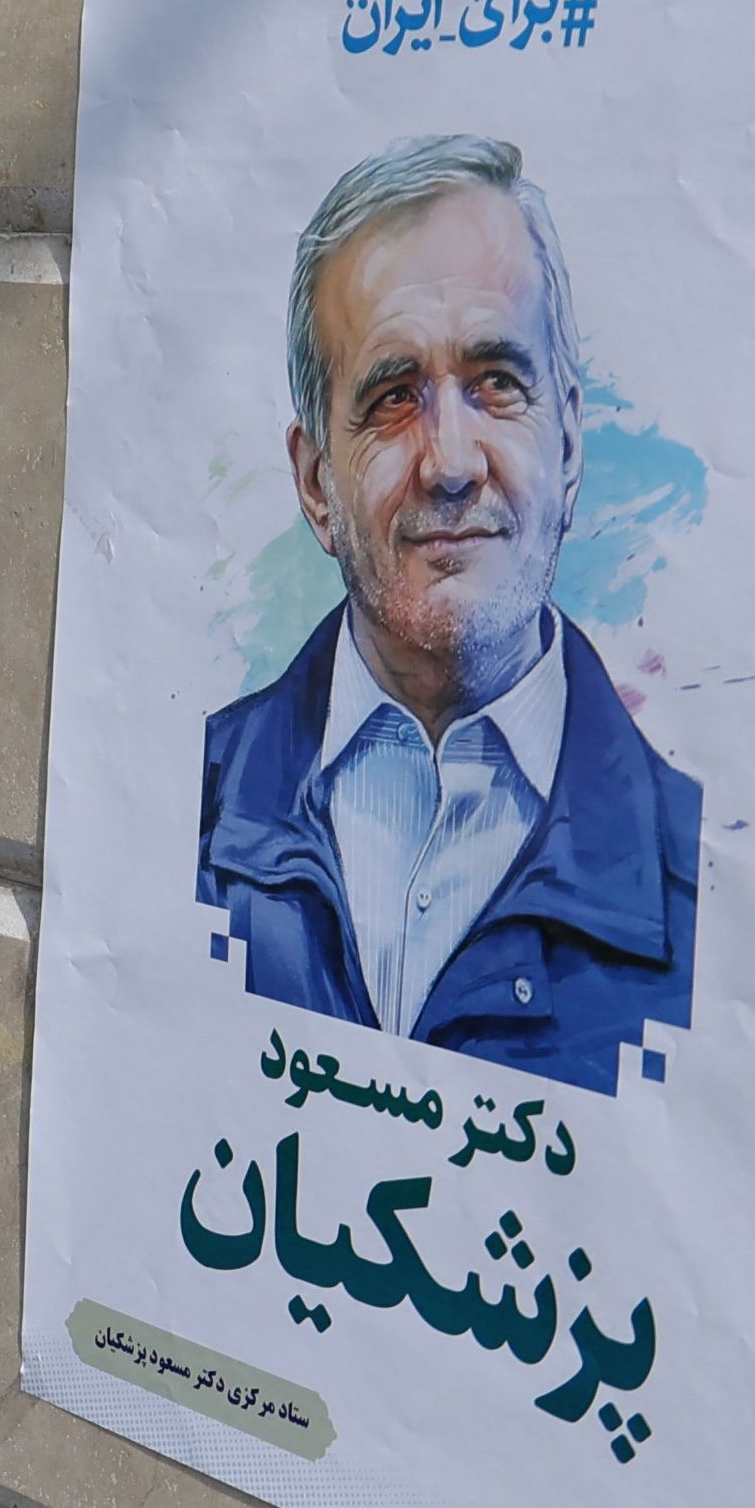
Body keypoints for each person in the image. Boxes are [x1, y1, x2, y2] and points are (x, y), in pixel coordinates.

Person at [196, 134, 698, 1094]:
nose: (452, 462)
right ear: (314, 482)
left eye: (496, 384)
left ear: (568, 442)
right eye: (393, 398)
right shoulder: (191, 814)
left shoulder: (694, 878)